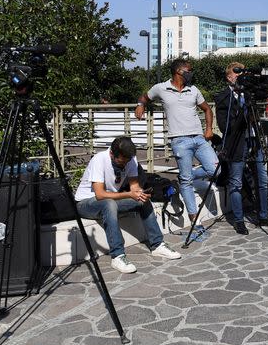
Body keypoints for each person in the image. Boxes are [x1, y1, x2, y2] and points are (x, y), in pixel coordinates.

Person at [74, 136, 181, 273]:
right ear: (112, 154)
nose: (125, 164)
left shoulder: (130, 159)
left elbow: (134, 186)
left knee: (142, 200)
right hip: (86, 203)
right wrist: (129, 194)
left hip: (110, 200)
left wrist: (140, 193)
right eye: (121, 162)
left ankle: (157, 245)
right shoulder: (99, 160)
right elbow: (100, 194)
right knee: (109, 204)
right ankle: (118, 255)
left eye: (127, 161)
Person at [136, 58, 219, 234]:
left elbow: (207, 109)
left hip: (199, 138)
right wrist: (140, 105)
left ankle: (189, 174)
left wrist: (209, 128)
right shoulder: (161, 88)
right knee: (187, 181)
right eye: (189, 70)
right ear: (179, 72)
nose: (191, 73)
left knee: (216, 170)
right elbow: (145, 96)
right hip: (179, 140)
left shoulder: (193, 89)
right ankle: (194, 219)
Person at [213, 62, 268, 235]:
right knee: (235, 182)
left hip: (255, 140)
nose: (240, 76)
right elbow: (223, 127)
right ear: (229, 77)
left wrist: (263, 76)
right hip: (237, 143)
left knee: (263, 179)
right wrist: (243, 115)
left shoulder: (249, 93)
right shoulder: (222, 97)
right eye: (237, 73)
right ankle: (238, 220)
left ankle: (264, 216)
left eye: (242, 73)